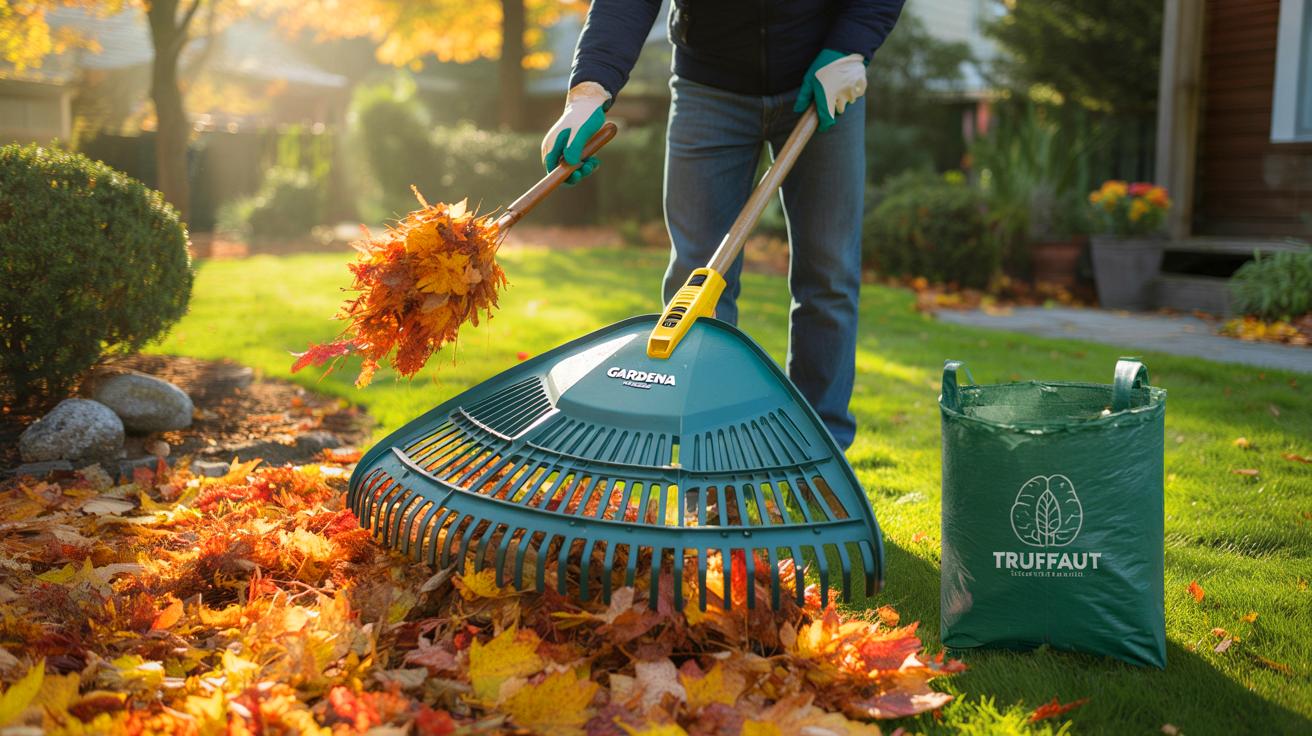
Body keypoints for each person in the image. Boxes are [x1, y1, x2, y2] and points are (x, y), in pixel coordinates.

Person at [540, 1, 905, 449]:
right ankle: (706, 451)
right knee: (696, 278)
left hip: (822, 71)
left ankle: (820, 451)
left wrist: (851, 47)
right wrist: (588, 92)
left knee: (828, 275)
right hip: (708, 86)